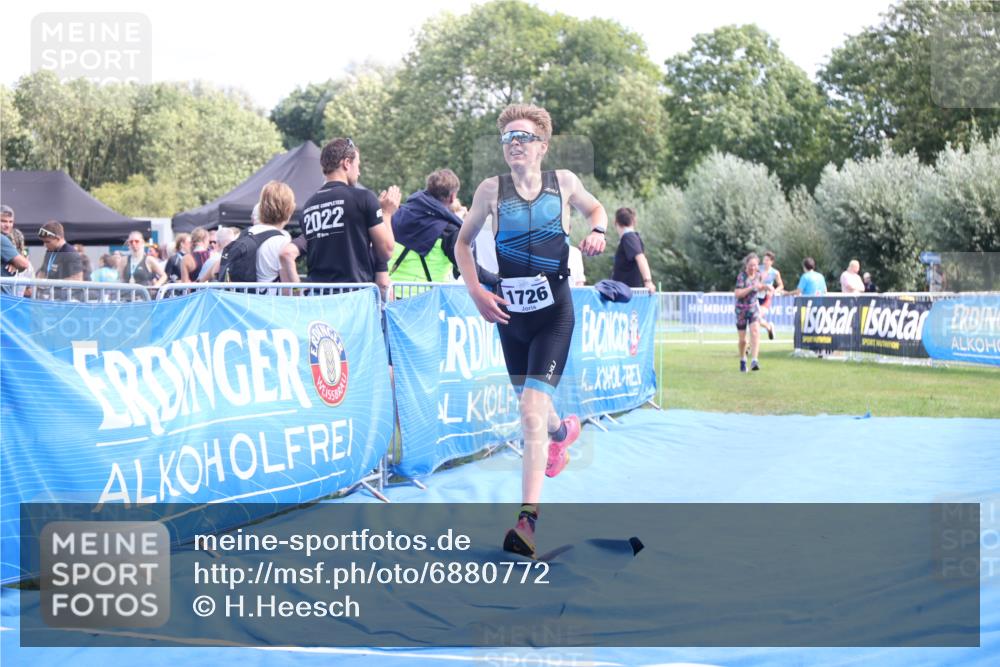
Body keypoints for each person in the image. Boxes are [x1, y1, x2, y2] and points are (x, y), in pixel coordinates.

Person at [454, 103, 607, 558]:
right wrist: (477, 292)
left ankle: (527, 523)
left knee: (530, 407)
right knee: (533, 409)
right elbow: (462, 244)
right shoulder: (488, 191)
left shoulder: (564, 183)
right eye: (507, 139)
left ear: (542, 146)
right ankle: (564, 434)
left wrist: (597, 230)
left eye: (523, 137)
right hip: (509, 316)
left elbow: (596, 209)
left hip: (554, 313)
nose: (514, 144)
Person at [301, 137, 400, 284]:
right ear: (347, 163)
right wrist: (386, 213)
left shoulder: (308, 206)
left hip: (318, 298)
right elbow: (386, 251)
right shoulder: (363, 198)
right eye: (358, 165)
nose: (359, 172)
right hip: (353, 298)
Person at [389, 169, 464, 283]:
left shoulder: (396, 215)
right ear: (453, 197)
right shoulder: (450, 230)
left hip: (392, 294)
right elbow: (468, 267)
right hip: (429, 297)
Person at [249, 181, 295, 283]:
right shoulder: (281, 240)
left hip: (243, 297)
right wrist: (299, 291)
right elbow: (288, 289)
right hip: (269, 298)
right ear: (288, 209)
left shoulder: (247, 233)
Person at [610, 207, 654, 290]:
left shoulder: (629, 237)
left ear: (615, 222)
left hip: (629, 293)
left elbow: (641, 258)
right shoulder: (630, 238)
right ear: (634, 222)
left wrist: (648, 281)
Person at [734, 253, 764, 373]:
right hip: (741, 310)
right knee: (743, 341)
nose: (753, 268)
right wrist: (752, 287)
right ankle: (743, 360)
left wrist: (766, 288)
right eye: (751, 265)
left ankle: (754, 361)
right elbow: (738, 293)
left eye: (755, 265)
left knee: (755, 332)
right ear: (746, 265)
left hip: (753, 309)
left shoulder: (758, 275)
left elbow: (759, 287)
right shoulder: (741, 276)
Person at [757, 250, 784, 340]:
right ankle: (769, 327)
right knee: (754, 320)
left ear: (772, 262)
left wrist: (775, 291)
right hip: (755, 297)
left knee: (756, 318)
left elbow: (781, 285)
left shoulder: (775, 273)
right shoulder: (758, 269)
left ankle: (749, 345)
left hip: (766, 298)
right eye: (764, 259)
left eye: (767, 260)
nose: (765, 262)